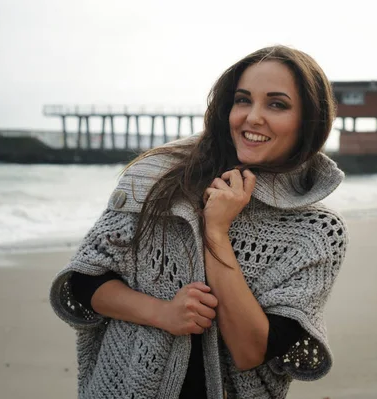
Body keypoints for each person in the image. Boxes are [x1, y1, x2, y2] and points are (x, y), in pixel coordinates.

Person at [50, 45, 348, 399]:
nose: (252, 117)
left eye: (277, 104)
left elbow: (251, 350)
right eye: (242, 100)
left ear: (309, 120)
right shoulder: (157, 179)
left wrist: (216, 233)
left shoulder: (315, 232)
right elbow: (84, 283)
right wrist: (163, 313)